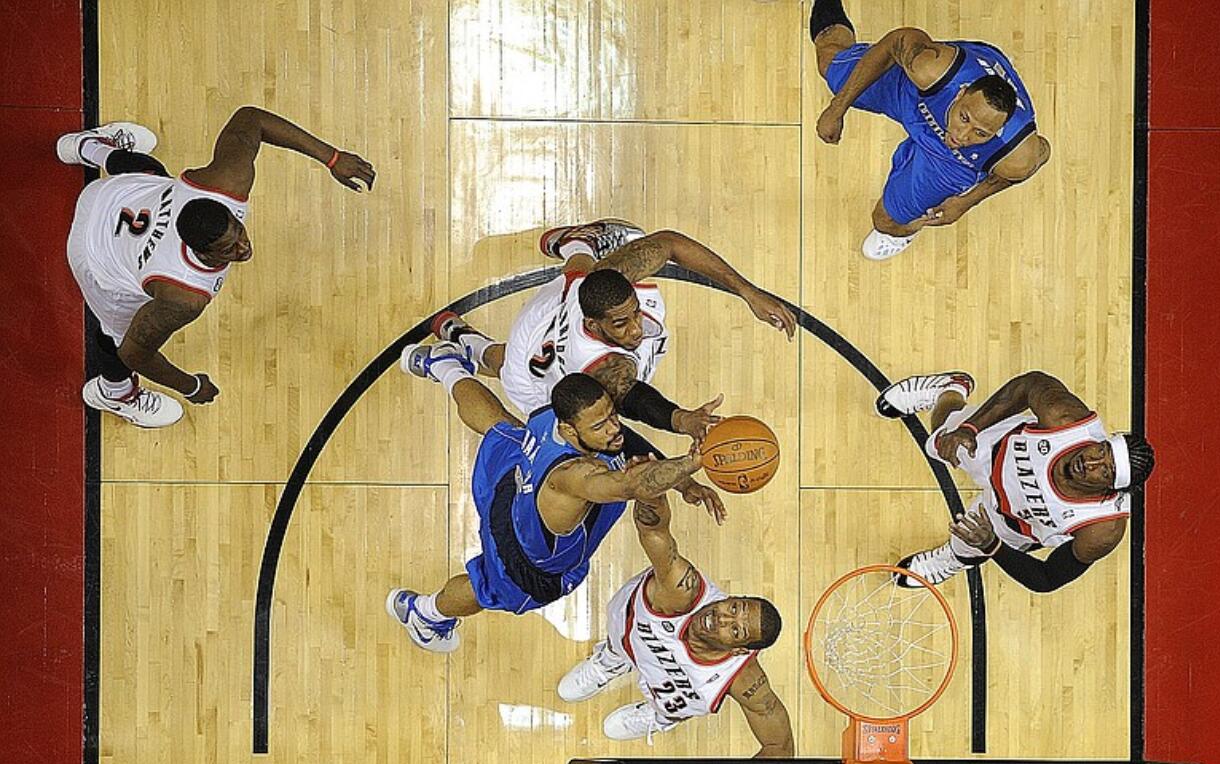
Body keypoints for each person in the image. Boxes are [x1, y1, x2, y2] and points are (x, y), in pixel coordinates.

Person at [57, 110, 376, 427]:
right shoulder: (183, 295)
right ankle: (115, 393)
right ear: (199, 251)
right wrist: (190, 386)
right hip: (94, 252)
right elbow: (135, 354)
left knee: (154, 174)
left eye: (238, 232)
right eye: (228, 249)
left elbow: (251, 119)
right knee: (117, 335)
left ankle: (88, 147)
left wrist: (332, 157)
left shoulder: (226, 183)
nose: (244, 248)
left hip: (111, 196)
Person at [386, 346, 709, 654]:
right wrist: (693, 462)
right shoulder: (575, 475)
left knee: (499, 426)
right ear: (569, 430)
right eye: (600, 425)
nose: (613, 428)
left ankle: (444, 365)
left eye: (612, 415)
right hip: (527, 561)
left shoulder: (549, 418)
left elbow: (624, 443)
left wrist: (683, 482)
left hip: (510, 482)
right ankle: (425, 613)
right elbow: (629, 485)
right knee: (485, 587)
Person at [431, 219, 797, 443]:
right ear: (594, 325)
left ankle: (574, 243)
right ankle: (455, 350)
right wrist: (681, 419)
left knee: (583, 275)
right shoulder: (608, 369)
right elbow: (633, 400)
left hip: (543, 327)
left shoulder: (604, 294)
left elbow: (669, 242)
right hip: (541, 387)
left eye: (634, 315)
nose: (637, 330)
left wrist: (748, 291)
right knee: (512, 372)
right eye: (622, 324)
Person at [557, 491, 793, 763]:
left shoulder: (744, 680)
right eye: (734, 608)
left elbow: (780, 748)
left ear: (740, 650)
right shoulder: (682, 590)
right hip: (629, 634)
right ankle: (610, 662)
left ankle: (661, 715)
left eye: (735, 631)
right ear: (731, 598)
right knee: (620, 642)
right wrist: (651, 490)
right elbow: (654, 530)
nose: (723, 619)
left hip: (672, 692)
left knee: (673, 705)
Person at [808, 0, 1050, 260]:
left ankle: (908, 229)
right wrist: (837, 108)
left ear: (999, 131)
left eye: (981, 134)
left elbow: (1041, 153)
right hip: (915, 98)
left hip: (954, 163)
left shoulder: (1016, 153)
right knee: (829, 63)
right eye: (964, 118)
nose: (962, 135)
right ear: (960, 94)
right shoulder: (932, 70)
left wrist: (966, 202)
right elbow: (895, 43)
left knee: (885, 222)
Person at [875, 371, 1156, 591]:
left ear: (1111, 489)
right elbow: (1030, 385)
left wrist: (992, 546)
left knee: (967, 547)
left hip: (1011, 520)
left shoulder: (1102, 530)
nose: (1090, 462)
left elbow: (1047, 578)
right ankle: (950, 389)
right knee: (939, 442)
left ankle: (953, 558)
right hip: (998, 448)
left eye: (1104, 472)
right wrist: (970, 428)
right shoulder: (1068, 420)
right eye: (1102, 450)